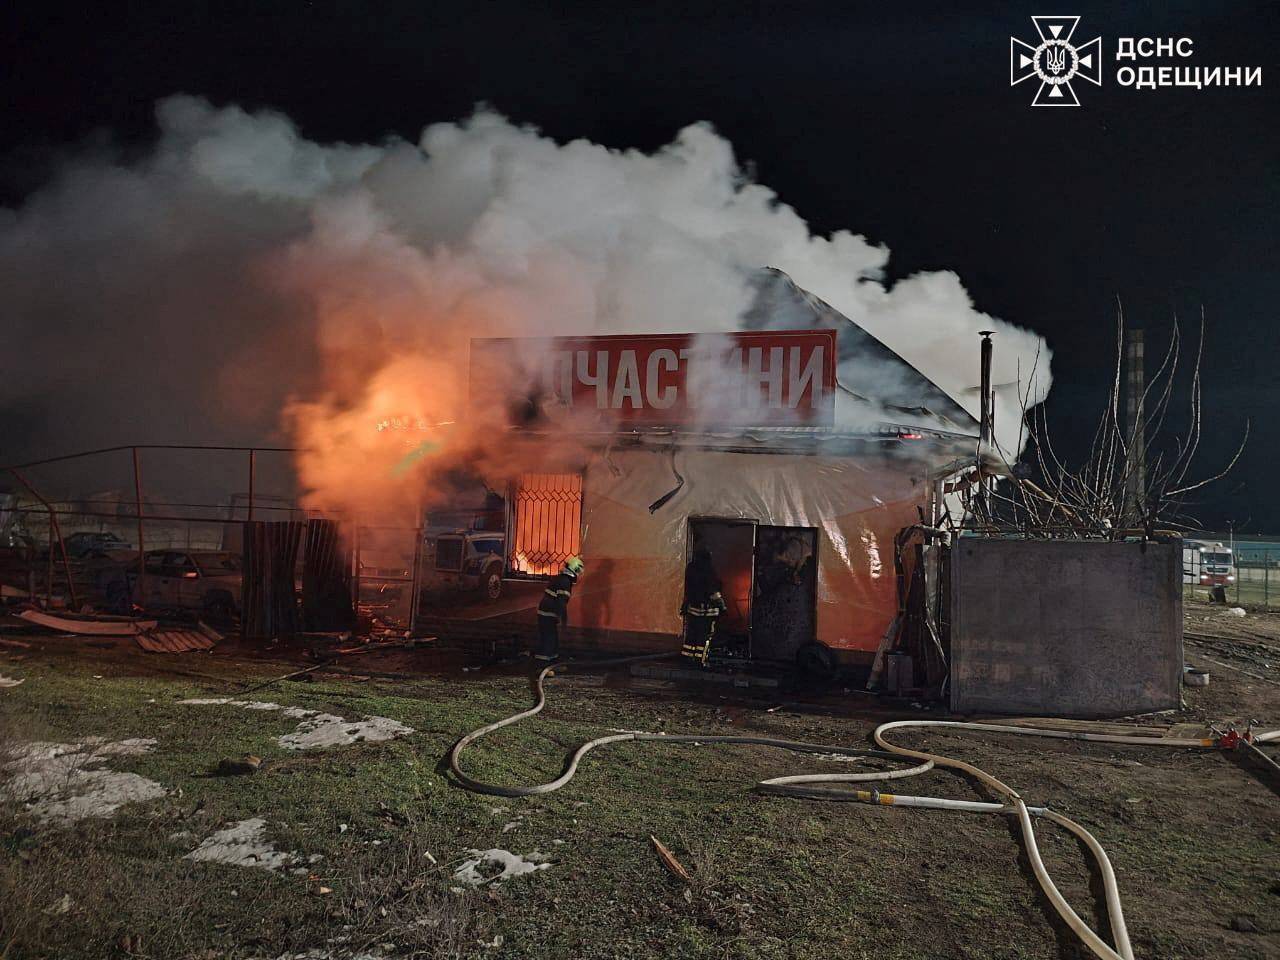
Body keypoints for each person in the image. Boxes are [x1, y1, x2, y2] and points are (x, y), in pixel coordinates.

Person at [681, 546, 727, 665]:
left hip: (693, 609)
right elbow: (713, 590)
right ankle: (700, 660)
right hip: (707, 612)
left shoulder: (691, 568)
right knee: (704, 636)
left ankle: (687, 658)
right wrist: (722, 606)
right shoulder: (708, 570)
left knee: (692, 635)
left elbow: (688, 589)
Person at [535, 555, 583, 662]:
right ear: (575, 570)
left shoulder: (560, 578)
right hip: (548, 613)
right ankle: (542, 664)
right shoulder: (565, 582)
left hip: (546, 612)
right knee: (549, 639)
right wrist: (563, 620)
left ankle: (551, 661)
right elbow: (561, 603)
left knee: (551, 639)